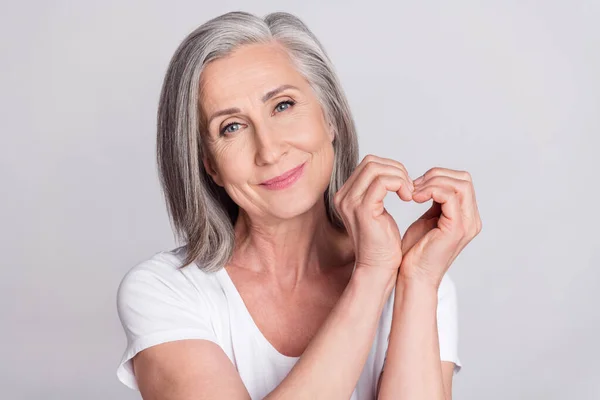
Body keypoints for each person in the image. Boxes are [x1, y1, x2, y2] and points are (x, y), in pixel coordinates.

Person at [116, 10, 482, 400]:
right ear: (209, 165)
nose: (270, 150)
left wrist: (418, 280)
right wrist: (372, 274)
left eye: (283, 106)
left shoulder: (418, 281)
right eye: (232, 127)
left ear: (330, 118)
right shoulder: (166, 290)